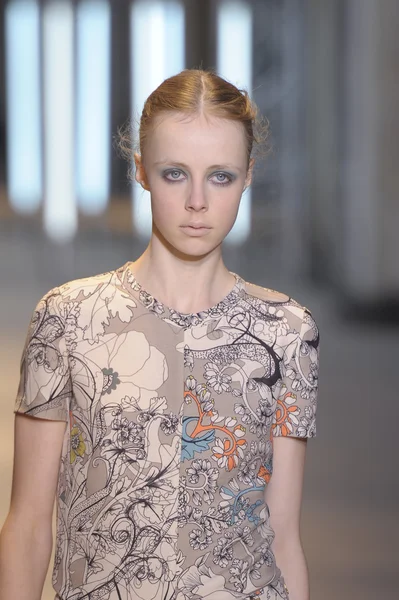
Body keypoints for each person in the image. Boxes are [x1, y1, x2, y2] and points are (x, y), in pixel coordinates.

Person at [0, 69, 319, 600]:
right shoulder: (69, 319)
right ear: (142, 170)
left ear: (248, 176)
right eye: (175, 173)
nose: (198, 200)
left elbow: (283, 537)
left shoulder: (286, 333)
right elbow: (29, 525)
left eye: (220, 176)